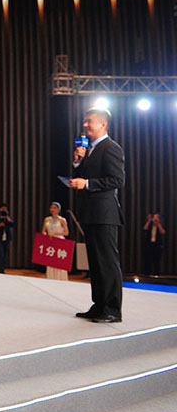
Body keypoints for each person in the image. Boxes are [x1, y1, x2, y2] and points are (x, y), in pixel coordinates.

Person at [70, 108, 125, 323]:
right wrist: (77, 162)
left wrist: (88, 184)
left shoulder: (111, 148)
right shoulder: (89, 149)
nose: (85, 125)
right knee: (95, 262)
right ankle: (99, 305)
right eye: (84, 121)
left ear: (103, 124)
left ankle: (113, 309)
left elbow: (117, 180)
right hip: (91, 213)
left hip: (105, 214)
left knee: (107, 262)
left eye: (89, 121)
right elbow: (82, 177)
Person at [42, 201, 70, 280]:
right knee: (50, 261)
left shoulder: (62, 220)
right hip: (50, 241)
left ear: (58, 210)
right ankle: (51, 277)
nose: (52, 209)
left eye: (54, 208)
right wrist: (45, 235)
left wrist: (55, 233)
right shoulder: (47, 219)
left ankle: (60, 278)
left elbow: (66, 232)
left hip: (59, 240)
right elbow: (43, 230)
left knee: (59, 262)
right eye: (51, 207)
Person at [0, 202, 15, 274]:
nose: (3, 210)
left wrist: (7, 216)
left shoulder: (8, 217)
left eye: (5, 208)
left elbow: (12, 224)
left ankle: (3, 267)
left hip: (7, 237)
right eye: (2, 208)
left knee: (5, 253)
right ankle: (1, 269)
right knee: (0, 253)